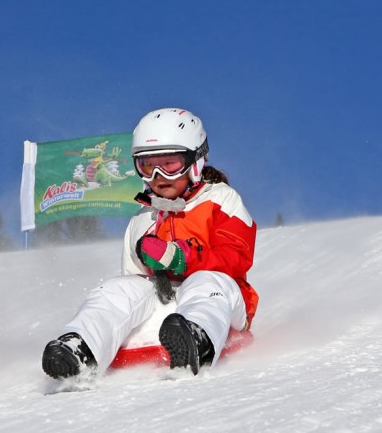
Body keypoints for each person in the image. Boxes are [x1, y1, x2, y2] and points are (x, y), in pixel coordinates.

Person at [41, 108, 258, 379]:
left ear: (196, 161)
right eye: (147, 165)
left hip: (223, 300)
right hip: (166, 307)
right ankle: (80, 348)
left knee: (207, 281)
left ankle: (199, 340)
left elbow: (237, 256)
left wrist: (182, 258)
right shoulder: (142, 219)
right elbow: (133, 284)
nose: (158, 175)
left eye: (170, 165)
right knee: (114, 289)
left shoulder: (221, 200)